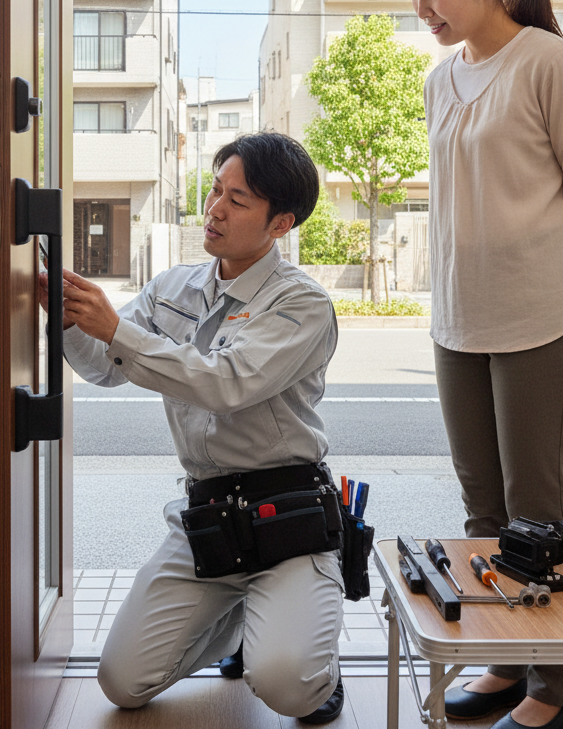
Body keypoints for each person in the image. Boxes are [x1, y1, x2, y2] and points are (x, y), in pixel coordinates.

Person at [395, 0, 563, 729]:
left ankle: (555, 694)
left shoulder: (549, 64)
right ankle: (504, 659)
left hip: (541, 319)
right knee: (483, 513)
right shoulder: (439, 78)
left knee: (540, 512)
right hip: (460, 320)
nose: (425, 10)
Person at [41, 132, 345, 724]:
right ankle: (237, 630)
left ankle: (310, 665)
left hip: (287, 517)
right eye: (214, 190)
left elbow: (225, 382)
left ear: (280, 223)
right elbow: (107, 366)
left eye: (238, 199)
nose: (214, 209)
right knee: (121, 682)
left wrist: (117, 330)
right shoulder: (172, 288)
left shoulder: (301, 304)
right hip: (208, 519)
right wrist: (68, 314)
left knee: (287, 687)